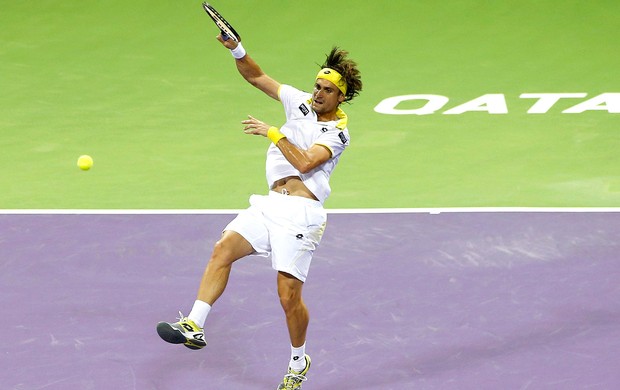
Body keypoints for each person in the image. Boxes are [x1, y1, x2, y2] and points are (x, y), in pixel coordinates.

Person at [156, 33, 362, 389]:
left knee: (288, 297)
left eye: (326, 90)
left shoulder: (337, 133)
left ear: (340, 97)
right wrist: (237, 48)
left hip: (301, 214)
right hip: (269, 205)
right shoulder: (299, 102)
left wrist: (272, 133)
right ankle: (194, 324)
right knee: (222, 249)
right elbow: (256, 76)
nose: (317, 93)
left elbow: (306, 162)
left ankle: (298, 362)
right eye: (316, 86)